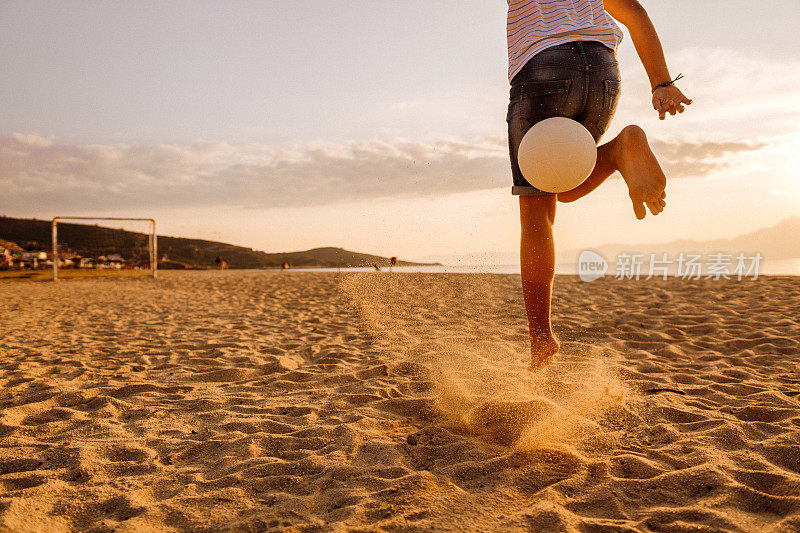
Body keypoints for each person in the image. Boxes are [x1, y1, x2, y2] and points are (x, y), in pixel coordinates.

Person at [506, 0, 692, 370]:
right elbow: (635, 13)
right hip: (603, 72)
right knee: (564, 183)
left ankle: (541, 337)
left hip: (544, 67)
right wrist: (661, 83)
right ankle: (616, 152)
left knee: (537, 209)